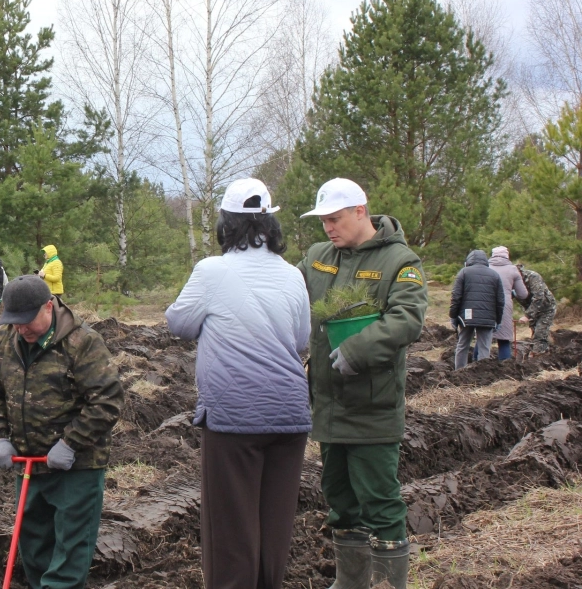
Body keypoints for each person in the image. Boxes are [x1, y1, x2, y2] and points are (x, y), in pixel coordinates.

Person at [164, 179, 311, 589]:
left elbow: (179, 322)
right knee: (273, 525)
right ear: (271, 223)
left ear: (226, 223)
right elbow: (301, 340)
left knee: (230, 529)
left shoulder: (211, 270)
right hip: (290, 415)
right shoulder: (292, 274)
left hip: (234, 417)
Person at [298, 178, 427, 589]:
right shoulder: (319, 257)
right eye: (323, 222)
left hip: (372, 406)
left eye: (334, 219)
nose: (328, 229)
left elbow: (407, 318)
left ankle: (389, 584)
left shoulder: (399, 261)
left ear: (360, 211)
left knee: (379, 499)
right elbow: (288, 292)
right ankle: (350, 581)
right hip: (328, 403)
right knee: (339, 497)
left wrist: (357, 350)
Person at [0, 275, 124, 589]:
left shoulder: (82, 341)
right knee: (33, 546)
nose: (21, 329)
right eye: (14, 321)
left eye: (27, 321)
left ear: (49, 306)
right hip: (27, 462)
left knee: (70, 549)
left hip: (76, 465)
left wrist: (71, 443)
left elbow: (107, 401)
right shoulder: (4, 338)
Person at [449, 250, 504, 370]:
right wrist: (498, 320)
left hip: (466, 316)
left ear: (469, 260)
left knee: (463, 344)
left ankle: (459, 372)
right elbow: (500, 301)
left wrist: (453, 316)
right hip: (488, 318)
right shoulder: (494, 275)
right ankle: (482, 374)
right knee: (484, 347)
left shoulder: (464, 272)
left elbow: (456, 297)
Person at [488, 246, 527, 360]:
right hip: (504, 306)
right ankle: (504, 370)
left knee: (483, 339)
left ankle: (476, 367)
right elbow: (523, 294)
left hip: (484, 306)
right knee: (504, 340)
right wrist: (511, 293)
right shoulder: (513, 269)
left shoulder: (485, 267)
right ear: (507, 256)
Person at [518, 264, 557, 354]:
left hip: (546, 308)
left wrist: (527, 315)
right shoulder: (512, 281)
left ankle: (539, 356)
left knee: (540, 334)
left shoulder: (533, 277)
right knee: (536, 332)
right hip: (532, 310)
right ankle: (548, 351)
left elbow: (539, 297)